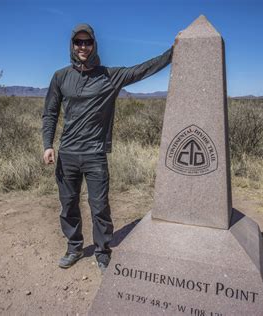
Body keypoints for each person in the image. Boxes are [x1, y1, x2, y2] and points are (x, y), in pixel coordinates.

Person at [42, 23, 172, 272]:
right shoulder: (61, 77)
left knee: (99, 206)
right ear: (72, 45)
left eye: (87, 42)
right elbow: (49, 112)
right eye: (78, 42)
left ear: (94, 45)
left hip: (95, 155)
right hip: (67, 154)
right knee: (68, 204)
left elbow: (142, 70)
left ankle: (102, 251)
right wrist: (48, 144)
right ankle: (74, 247)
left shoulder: (110, 76)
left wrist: (172, 52)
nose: (83, 47)